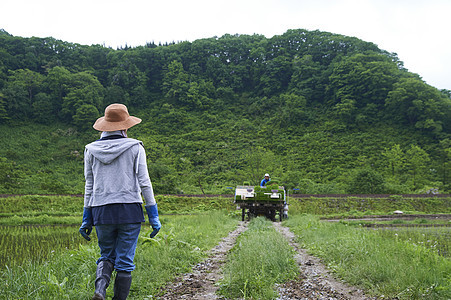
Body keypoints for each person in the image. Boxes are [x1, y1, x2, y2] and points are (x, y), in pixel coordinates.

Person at [79, 103, 161, 300]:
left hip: (101, 210)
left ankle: (100, 290)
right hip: (129, 210)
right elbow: (145, 182)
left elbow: (89, 185)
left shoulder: (90, 150)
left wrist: (86, 217)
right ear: (125, 127)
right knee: (124, 260)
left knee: (106, 255)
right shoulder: (135, 147)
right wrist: (153, 215)